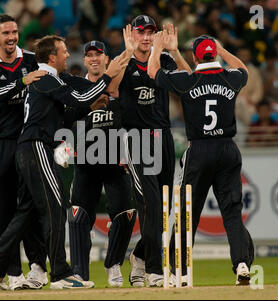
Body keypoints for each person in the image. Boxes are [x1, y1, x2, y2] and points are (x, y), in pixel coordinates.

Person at [0, 35, 127, 289]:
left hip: (28, 149)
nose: (69, 55)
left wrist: (89, 107)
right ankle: (60, 274)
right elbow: (77, 100)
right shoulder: (45, 78)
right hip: (37, 148)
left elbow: (66, 115)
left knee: (26, 212)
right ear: (52, 57)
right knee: (56, 207)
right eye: (64, 51)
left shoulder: (47, 80)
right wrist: (105, 77)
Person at [148, 33, 255, 286]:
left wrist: (158, 48)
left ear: (195, 56)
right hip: (228, 149)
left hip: (199, 150)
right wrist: (222, 48)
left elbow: (154, 72)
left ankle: (180, 271)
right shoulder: (231, 78)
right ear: (214, 53)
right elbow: (243, 68)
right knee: (232, 212)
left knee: (187, 212)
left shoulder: (189, 80)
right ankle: (241, 263)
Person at [109, 17, 191, 287]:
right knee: (151, 205)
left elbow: (189, 81)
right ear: (132, 34)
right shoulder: (124, 58)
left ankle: (141, 257)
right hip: (136, 138)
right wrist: (128, 52)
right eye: (141, 32)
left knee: (164, 207)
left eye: (151, 33)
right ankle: (155, 270)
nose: (146, 37)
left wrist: (175, 51)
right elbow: (111, 89)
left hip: (164, 136)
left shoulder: (164, 61)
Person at [0, 14, 49, 291]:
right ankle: (12, 273)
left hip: (29, 141)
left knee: (30, 207)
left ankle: (38, 267)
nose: (11, 38)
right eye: (5, 33)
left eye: (15, 32)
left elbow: (48, 84)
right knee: (6, 209)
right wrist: (23, 82)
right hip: (2, 143)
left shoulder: (30, 59)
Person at [63, 40, 136, 287]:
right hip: (85, 162)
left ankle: (113, 264)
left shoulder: (118, 85)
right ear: (84, 60)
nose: (94, 59)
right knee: (78, 216)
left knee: (126, 214)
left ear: (107, 59)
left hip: (115, 161)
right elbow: (64, 119)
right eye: (89, 55)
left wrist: (130, 48)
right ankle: (79, 272)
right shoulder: (76, 87)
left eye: (98, 54)